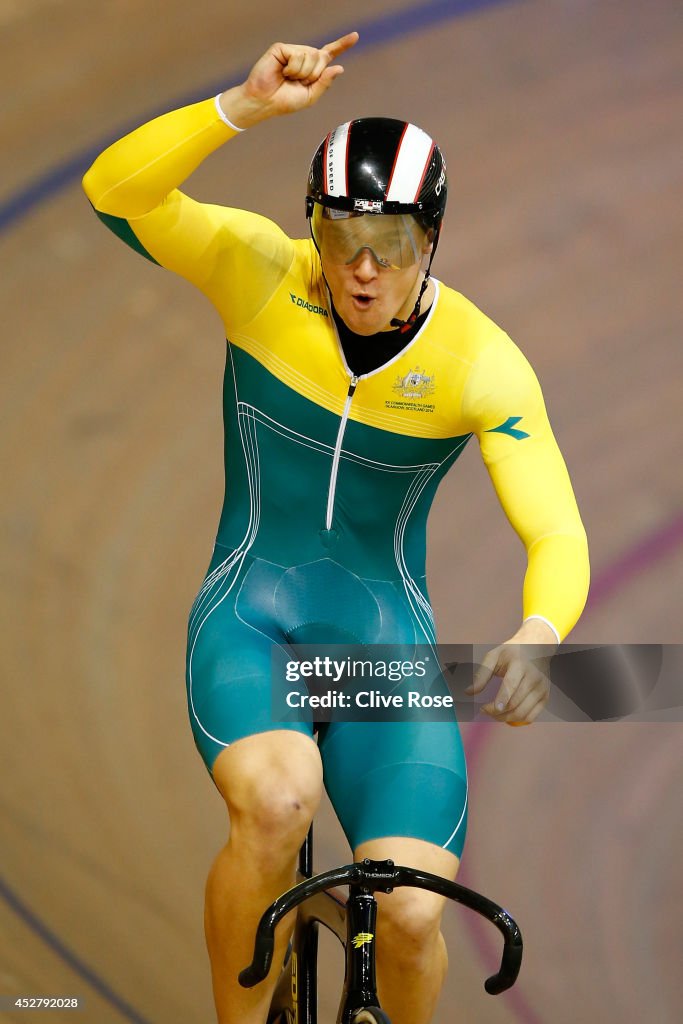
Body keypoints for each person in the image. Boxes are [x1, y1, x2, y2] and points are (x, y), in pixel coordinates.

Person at [82, 31, 589, 1024]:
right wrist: (240, 107)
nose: (360, 271)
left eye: (390, 246)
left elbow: (556, 531)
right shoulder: (258, 275)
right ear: (307, 227)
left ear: (430, 243)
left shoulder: (478, 363)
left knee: (404, 913)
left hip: (379, 658)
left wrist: (539, 633)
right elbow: (114, 191)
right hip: (251, 625)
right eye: (337, 236)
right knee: (276, 800)